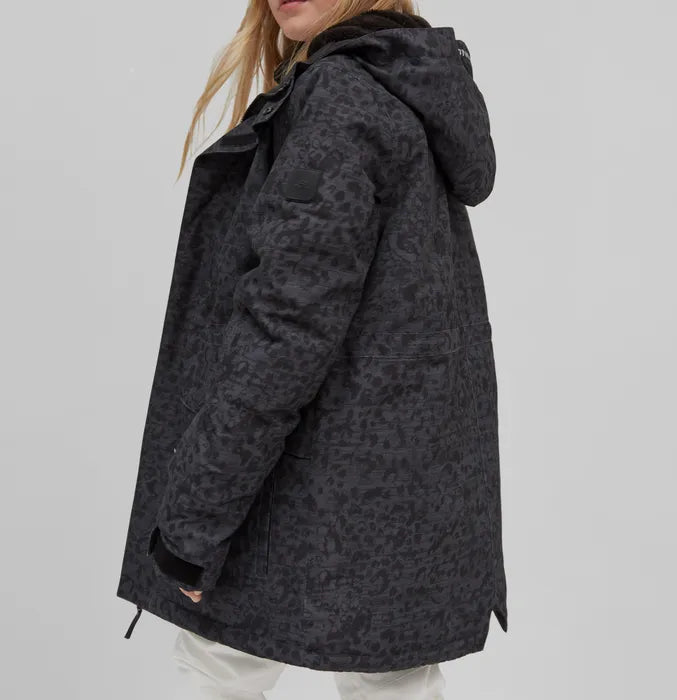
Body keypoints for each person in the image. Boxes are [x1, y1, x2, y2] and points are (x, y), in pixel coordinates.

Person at [116, 1, 508, 698]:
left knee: (218, 669)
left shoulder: (341, 99)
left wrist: (195, 520)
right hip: (405, 490)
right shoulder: (409, 87)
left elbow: (283, 330)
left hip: (292, 481)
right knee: (393, 681)